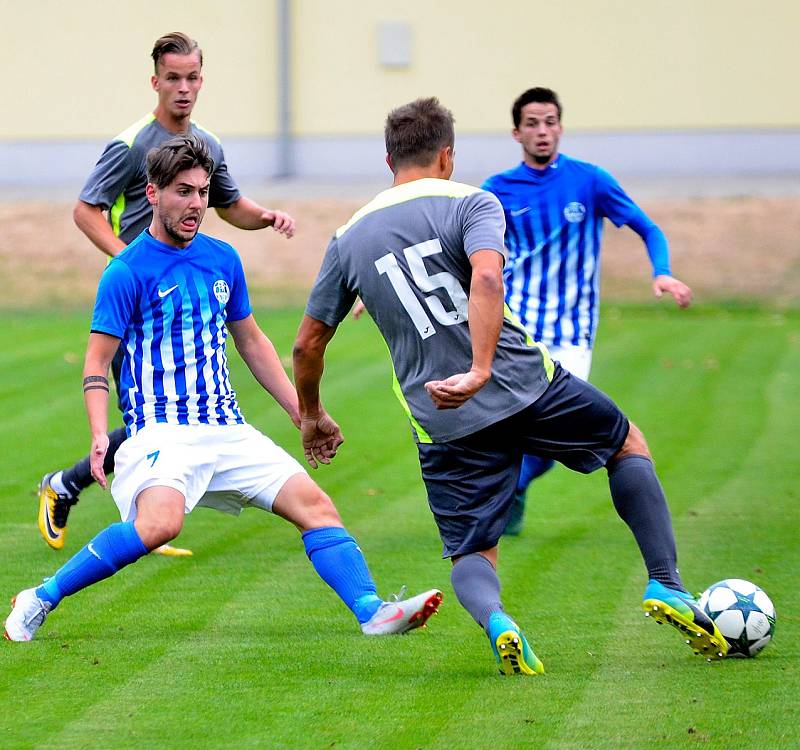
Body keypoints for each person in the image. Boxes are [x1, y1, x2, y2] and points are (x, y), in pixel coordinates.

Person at [292, 97, 725, 676]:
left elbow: (307, 345)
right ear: (447, 154)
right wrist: (480, 369)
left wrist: (313, 413)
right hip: (524, 384)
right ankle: (667, 584)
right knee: (626, 446)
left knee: (474, 551)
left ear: (388, 157)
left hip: (440, 416)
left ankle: (499, 621)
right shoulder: (474, 200)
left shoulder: (349, 238)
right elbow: (489, 276)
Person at [4, 135, 442, 642]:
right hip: (161, 433)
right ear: (152, 194)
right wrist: (101, 435)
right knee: (159, 526)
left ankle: (371, 610)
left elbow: (253, 343)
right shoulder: (125, 271)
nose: (195, 205)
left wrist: (303, 415)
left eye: (202, 193)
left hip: (228, 429)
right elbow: (97, 362)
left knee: (317, 507)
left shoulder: (223, 259)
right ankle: (40, 598)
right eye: (183, 192)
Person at [38, 31, 296, 556]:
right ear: (155, 81)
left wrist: (264, 217)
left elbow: (230, 206)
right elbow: (86, 209)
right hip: (139, 303)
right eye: (173, 78)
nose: (183, 88)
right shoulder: (132, 144)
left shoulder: (207, 145)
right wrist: (128, 264)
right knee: (151, 412)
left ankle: (88, 492)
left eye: (192, 77)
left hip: (184, 288)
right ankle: (137, 511)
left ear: (202, 79)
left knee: (164, 412)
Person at [481, 87, 692, 535]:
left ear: (560, 126)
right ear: (516, 132)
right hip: (519, 328)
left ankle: (512, 487)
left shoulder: (590, 180)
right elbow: (456, 242)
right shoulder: (496, 190)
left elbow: (647, 227)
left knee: (562, 432)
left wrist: (662, 272)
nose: (543, 131)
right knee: (513, 423)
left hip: (574, 332)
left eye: (551, 121)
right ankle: (501, 495)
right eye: (533, 123)